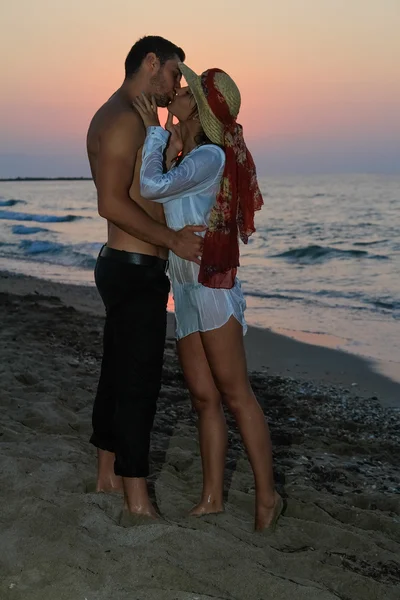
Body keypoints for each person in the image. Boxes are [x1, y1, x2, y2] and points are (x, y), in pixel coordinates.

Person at [133, 64, 283, 532]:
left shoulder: (211, 158)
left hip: (214, 289)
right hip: (186, 291)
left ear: (196, 110)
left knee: (237, 396)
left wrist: (157, 135)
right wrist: (173, 145)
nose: (176, 92)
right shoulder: (189, 158)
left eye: (186, 92)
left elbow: (150, 186)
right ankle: (213, 497)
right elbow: (162, 200)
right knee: (202, 397)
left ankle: (268, 497)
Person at [86, 36, 206, 523]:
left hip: (126, 265)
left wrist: (168, 140)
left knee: (117, 373)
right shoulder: (120, 120)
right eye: (175, 73)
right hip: (135, 268)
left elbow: (143, 187)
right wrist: (172, 240)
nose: (177, 84)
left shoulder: (130, 116)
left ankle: (107, 475)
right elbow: (111, 202)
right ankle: (137, 502)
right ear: (151, 63)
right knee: (139, 384)